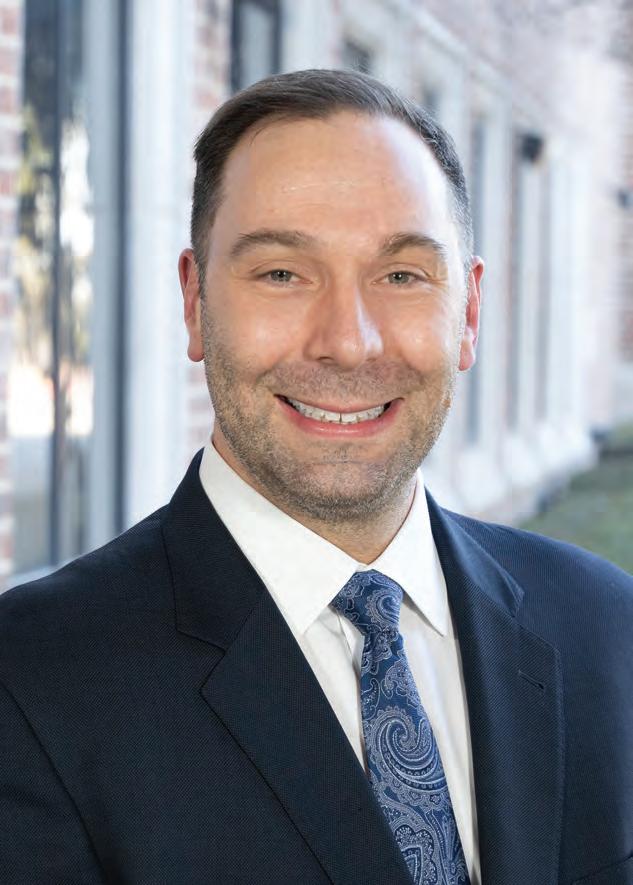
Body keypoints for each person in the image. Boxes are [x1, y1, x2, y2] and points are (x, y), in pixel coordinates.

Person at [1, 68, 631, 885]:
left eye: (401, 275)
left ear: (468, 312)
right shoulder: (31, 682)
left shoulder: (606, 626)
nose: (348, 341)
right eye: (281, 273)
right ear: (194, 301)